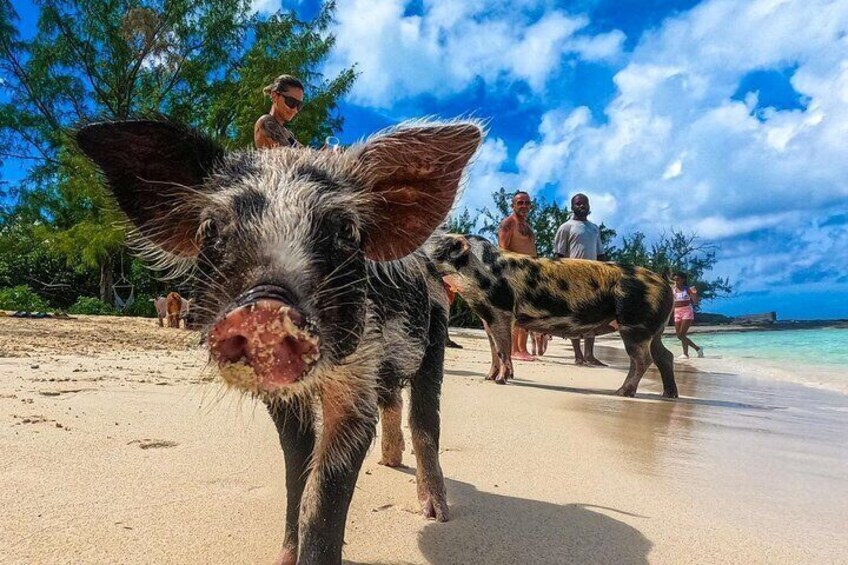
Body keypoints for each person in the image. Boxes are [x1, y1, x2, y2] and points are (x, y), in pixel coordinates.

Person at [554, 193, 609, 366]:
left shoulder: (594, 228)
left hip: (593, 280)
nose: (582, 206)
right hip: (573, 279)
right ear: (572, 207)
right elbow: (558, 256)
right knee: (575, 317)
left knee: (592, 317)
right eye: (578, 204)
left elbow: (601, 255)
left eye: (584, 203)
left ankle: (590, 354)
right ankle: (578, 355)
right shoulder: (566, 227)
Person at [498, 191, 537, 362]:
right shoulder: (508, 224)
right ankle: (514, 349)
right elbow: (502, 250)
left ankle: (523, 348)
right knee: (516, 313)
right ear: (513, 205)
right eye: (520, 203)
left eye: (527, 203)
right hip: (514, 274)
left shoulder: (528, 227)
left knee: (527, 312)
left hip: (530, 274)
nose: (524, 206)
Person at [254, 74, 305, 149]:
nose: (295, 110)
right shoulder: (266, 122)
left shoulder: (288, 133)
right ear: (275, 96)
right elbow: (288, 154)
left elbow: (307, 153)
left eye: (299, 105)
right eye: (291, 102)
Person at [672, 271, 704, 359]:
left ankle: (697, 349)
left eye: (678, 279)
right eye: (675, 279)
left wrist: (694, 293)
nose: (676, 281)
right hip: (677, 311)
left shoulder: (688, 289)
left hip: (687, 311)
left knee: (681, 335)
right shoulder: (672, 289)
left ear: (683, 280)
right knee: (680, 336)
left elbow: (696, 302)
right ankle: (686, 354)